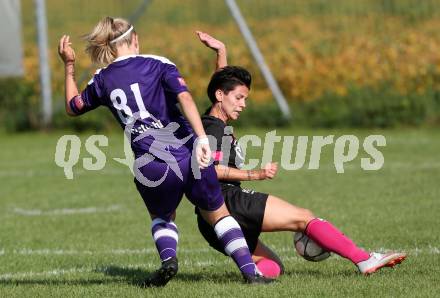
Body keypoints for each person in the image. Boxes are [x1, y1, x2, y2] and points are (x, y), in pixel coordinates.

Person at [57, 17, 274, 286]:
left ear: (109, 48)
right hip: (187, 154)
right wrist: (203, 139)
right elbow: (185, 98)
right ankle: (251, 273)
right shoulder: (158, 64)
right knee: (218, 214)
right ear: (134, 39)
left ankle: (169, 260)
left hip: (151, 165)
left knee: (162, 218)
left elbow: (72, 107)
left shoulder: (102, 79)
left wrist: (68, 66)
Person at [194, 31, 407, 277]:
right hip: (227, 201)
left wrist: (221, 52)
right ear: (221, 96)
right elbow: (210, 169)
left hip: (209, 220)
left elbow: (221, 86)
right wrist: (256, 173)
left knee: (272, 267)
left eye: (245, 98)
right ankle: (364, 259)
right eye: (239, 98)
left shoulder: (213, 120)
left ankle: (254, 281)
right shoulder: (213, 128)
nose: (243, 104)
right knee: (303, 218)